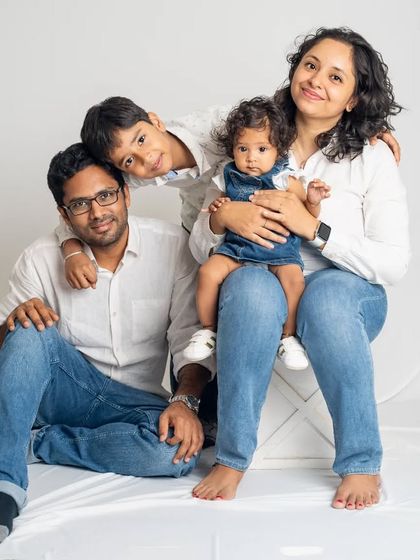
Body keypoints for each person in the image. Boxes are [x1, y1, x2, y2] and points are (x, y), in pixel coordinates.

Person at [189, 27, 410, 509]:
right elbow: (199, 241)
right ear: (294, 69)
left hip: (347, 296)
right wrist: (224, 219)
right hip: (264, 279)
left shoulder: (371, 157)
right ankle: (231, 457)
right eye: (310, 65)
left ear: (354, 99)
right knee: (248, 287)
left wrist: (315, 229)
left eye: (337, 77)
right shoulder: (257, 138)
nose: (316, 80)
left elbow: (393, 263)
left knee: (327, 298)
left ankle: (361, 461)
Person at [0, 143, 214, 542]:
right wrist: (14, 322)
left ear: (126, 193)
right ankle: (5, 487)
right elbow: (10, 351)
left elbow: (191, 338)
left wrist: (185, 402)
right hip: (64, 392)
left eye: (105, 196)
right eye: (80, 204)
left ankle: (37, 443)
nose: (98, 212)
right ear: (64, 215)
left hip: (134, 402)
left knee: (174, 451)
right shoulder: (39, 258)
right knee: (29, 326)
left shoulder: (171, 248)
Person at [183, 96, 330, 369]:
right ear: (233, 149)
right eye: (243, 149)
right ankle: (207, 330)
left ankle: (288, 337)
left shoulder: (286, 178)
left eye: (262, 149)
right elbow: (213, 213)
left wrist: (313, 199)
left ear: (278, 150)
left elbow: (309, 217)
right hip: (237, 250)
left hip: (280, 251)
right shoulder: (225, 176)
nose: (251, 158)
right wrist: (219, 209)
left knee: (295, 282)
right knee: (207, 273)